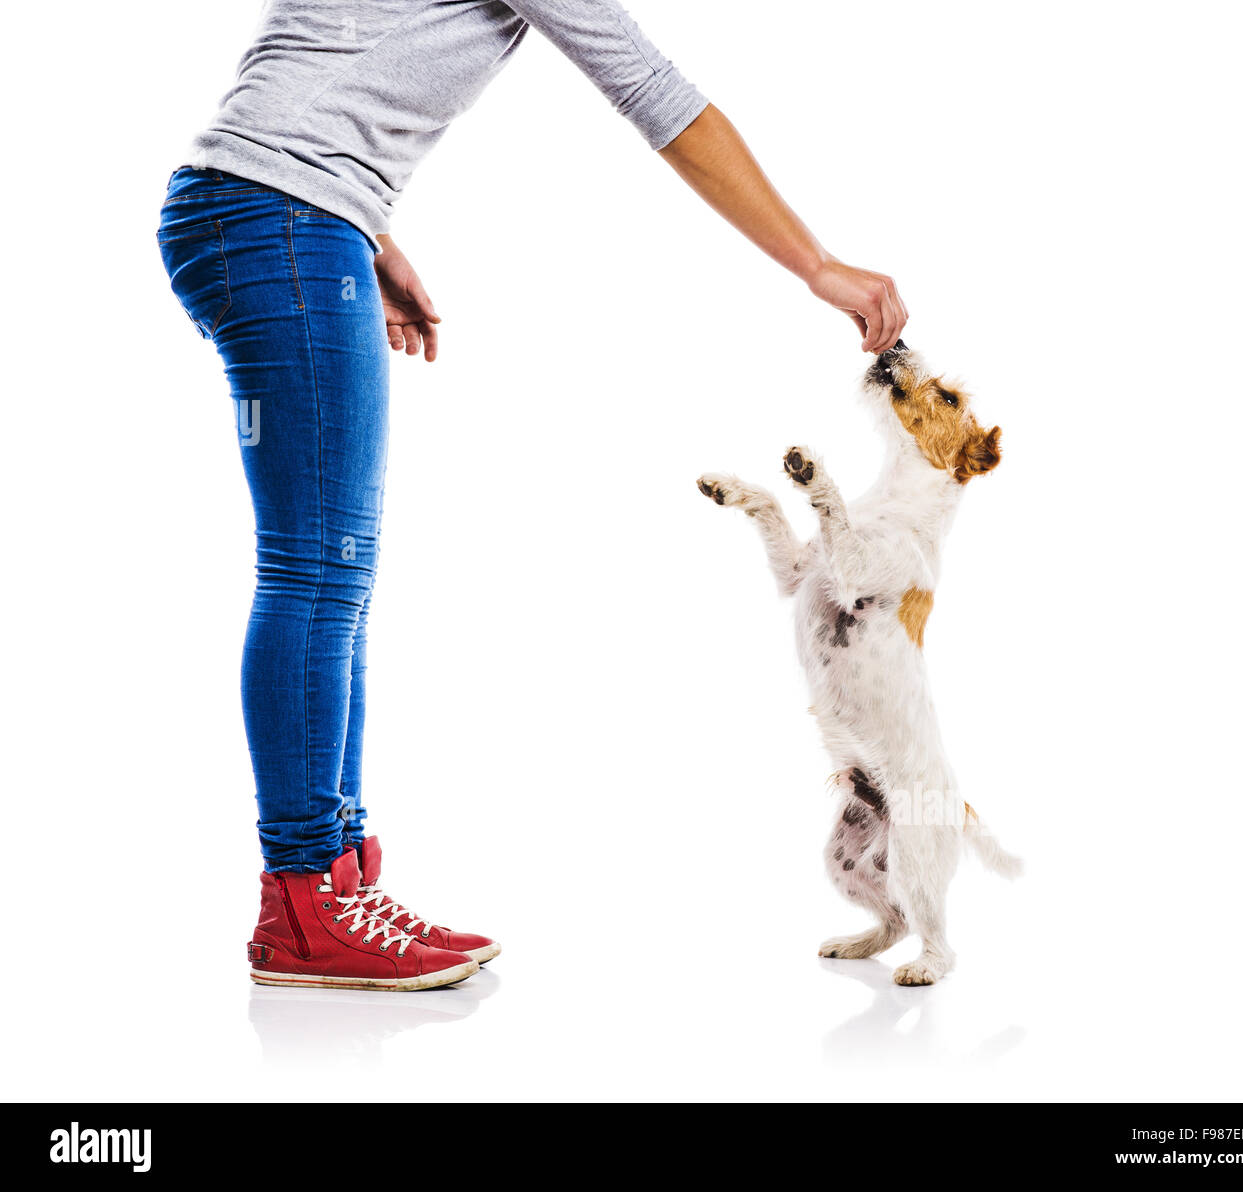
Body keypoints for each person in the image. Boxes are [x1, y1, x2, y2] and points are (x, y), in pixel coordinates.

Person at [157, 0, 908, 993]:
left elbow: (324, 45)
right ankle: (304, 902)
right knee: (314, 569)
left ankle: (332, 879)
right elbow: (651, 90)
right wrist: (817, 265)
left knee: (333, 571)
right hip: (281, 216)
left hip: (267, 210)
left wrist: (364, 228)